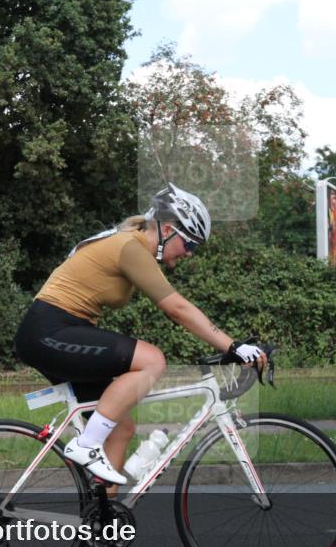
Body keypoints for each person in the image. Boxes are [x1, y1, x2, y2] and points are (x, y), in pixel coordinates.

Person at [14, 183, 267, 486]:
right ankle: (85, 445)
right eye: (190, 245)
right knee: (152, 360)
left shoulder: (131, 247)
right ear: (169, 229)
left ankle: (101, 525)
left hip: (61, 331)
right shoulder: (130, 247)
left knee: (120, 430)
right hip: (49, 330)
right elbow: (176, 308)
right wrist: (234, 345)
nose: (189, 254)